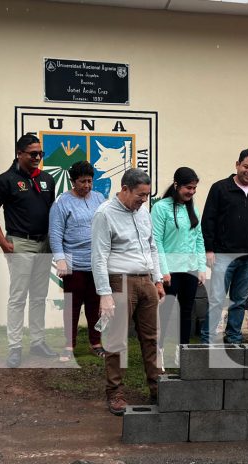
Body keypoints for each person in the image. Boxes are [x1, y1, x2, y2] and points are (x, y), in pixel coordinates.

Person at [91, 168, 165, 416]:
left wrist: (157, 280)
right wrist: (105, 294)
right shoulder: (104, 214)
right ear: (125, 189)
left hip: (146, 281)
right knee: (116, 340)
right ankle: (115, 393)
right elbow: (98, 258)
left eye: (146, 196)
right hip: (119, 281)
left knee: (152, 338)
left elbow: (152, 246)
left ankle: (158, 389)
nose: (144, 200)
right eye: (140, 195)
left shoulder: (143, 212)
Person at [0, 134, 57, 368]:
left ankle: (37, 341)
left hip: (44, 243)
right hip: (20, 244)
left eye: (40, 154)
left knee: (38, 297)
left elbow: (51, 213)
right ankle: (15, 347)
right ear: (19, 154)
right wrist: (3, 243)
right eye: (32, 154)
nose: (37, 157)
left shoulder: (47, 179)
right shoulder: (6, 180)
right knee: (18, 298)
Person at [200, 149, 248, 344]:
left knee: (239, 300)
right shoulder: (220, 188)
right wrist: (209, 249)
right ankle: (207, 338)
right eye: (246, 167)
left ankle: (233, 337)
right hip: (223, 255)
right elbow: (208, 220)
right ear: (237, 164)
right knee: (217, 299)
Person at [48, 161, 107, 362]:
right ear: (73, 181)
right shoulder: (61, 202)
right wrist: (61, 260)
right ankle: (69, 346)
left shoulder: (100, 198)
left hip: (97, 262)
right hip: (72, 262)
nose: (87, 186)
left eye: (90, 181)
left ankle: (96, 343)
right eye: (82, 181)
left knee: (95, 305)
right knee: (72, 306)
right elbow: (55, 234)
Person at [152, 167, 206, 366]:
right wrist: (163, 271)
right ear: (176, 185)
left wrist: (201, 268)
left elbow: (199, 239)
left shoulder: (193, 208)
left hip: (190, 269)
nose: (191, 192)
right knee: (165, 313)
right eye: (188, 188)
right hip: (170, 271)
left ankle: (182, 352)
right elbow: (156, 241)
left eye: (194, 188)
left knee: (187, 312)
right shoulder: (160, 208)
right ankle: (158, 352)